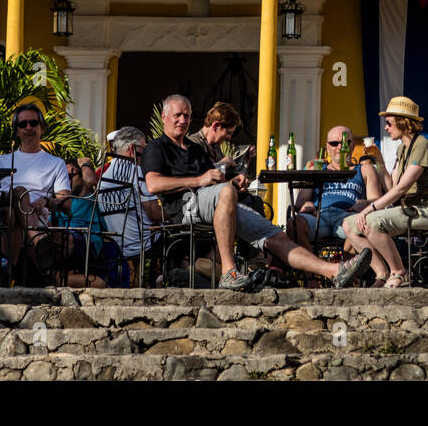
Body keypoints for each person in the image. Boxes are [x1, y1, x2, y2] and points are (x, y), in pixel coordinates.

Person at [141, 94, 370, 290]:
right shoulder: (157, 147)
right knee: (226, 193)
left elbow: (216, 179)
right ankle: (229, 272)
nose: (182, 120)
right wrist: (201, 179)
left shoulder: (193, 149)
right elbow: (153, 184)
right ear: (164, 117)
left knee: (274, 235)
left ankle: (333, 271)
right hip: (183, 207)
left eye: (187, 116)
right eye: (177, 115)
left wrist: (235, 180)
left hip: (215, 204)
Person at [342, 96, 428, 288]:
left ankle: (399, 272)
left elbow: (402, 188)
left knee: (371, 221)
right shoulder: (402, 149)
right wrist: (379, 162)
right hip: (409, 209)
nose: (386, 128)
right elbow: (392, 186)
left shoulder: (422, 145)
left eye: (389, 123)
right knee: (349, 224)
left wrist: (370, 208)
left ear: (402, 122)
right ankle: (381, 273)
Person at [0, 104, 72, 275]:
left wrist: (45, 201)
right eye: (23, 124)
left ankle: (8, 275)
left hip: (35, 215)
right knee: (19, 192)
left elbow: (65, 201)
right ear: (17, 131)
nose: (28, 127)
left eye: (33, 123)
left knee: (14, 210)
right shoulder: (0, 161)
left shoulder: (55, 163)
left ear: (41, 128)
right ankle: (37, 239)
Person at [291, 125, 381, 248]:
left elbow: (377, 200)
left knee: (360, 227)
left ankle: (347, 264)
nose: (340, 147)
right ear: (327, 147)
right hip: (318, 217)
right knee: (294, 225)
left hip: (348, 216)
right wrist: (306, 203)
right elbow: (300, 202)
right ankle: (315, 266)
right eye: (334, 143)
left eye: (345, 142)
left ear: (353, 145)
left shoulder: (365, 169)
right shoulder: (316, 169)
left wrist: (365, 203)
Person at [97, 127, 162, 280]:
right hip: (142, 241)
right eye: (143, 149)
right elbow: (154, 214)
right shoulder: (137, 172)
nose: (145, 154)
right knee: (179, 238)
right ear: (132, 149)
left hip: (115, 243)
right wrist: (176, 209)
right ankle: (169, 281)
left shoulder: (105, 176)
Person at [52, 158, 107, 287]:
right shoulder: (59, 200)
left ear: (82, 176)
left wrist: (85, 164)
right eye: (63, 177)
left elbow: (91, 181)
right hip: (62, 242)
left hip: (86, 242)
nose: (66, 181)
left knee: (62, 238)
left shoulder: (87, 197)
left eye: (70, 176)